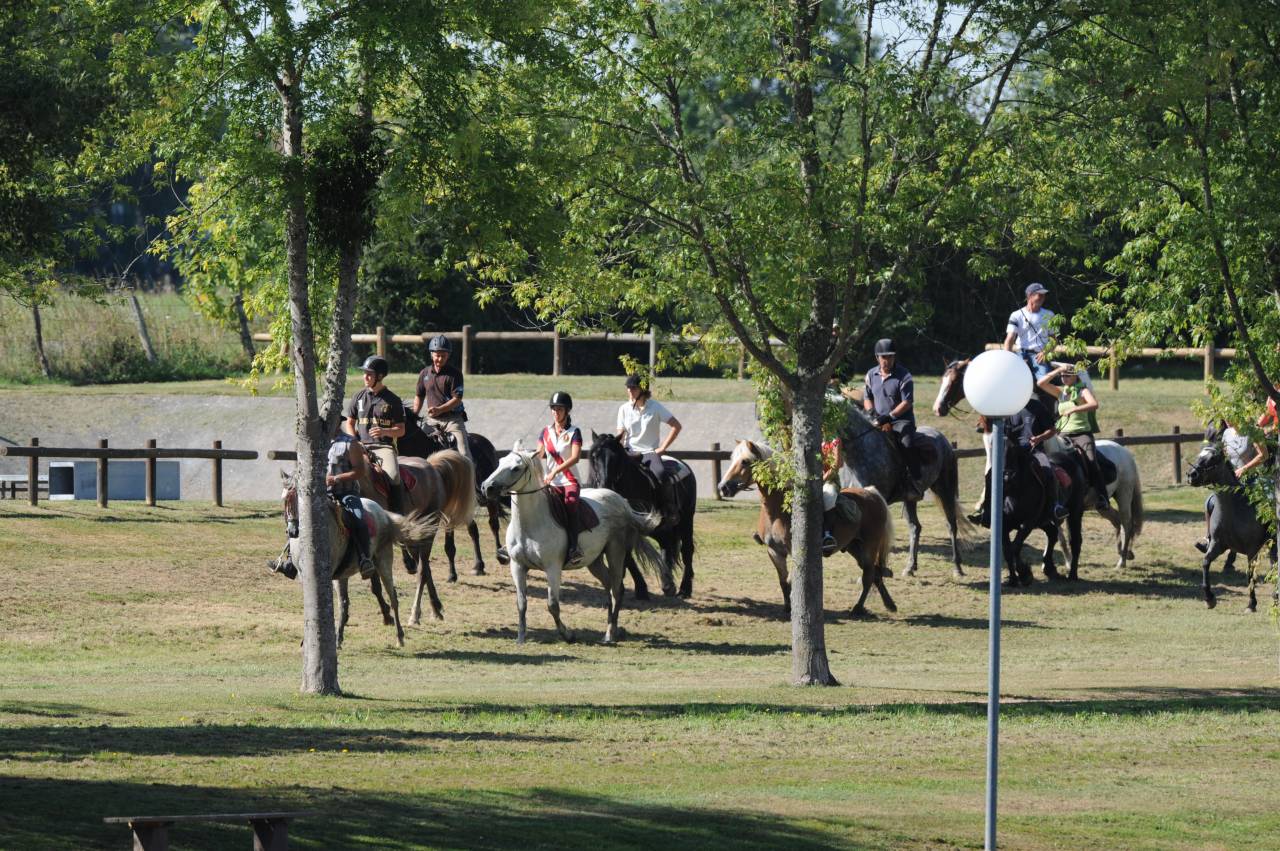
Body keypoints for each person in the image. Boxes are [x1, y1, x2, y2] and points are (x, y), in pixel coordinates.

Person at [1038, 363, 1109, 510]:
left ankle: (1102, 497)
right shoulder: (1061, 392)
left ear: (1075, 376)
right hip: (1062, 434)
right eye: (1062, 376)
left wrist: (1075, 408)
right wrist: (1058, 370)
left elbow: (1094, 404)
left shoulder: (1083, 390)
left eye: (1067, 375)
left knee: (1091, 460)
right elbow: (1041, 383)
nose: (1064, 378)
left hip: (1081, 434)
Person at [616, 374, 683, 525]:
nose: (629, 391)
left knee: (660, 473)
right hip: (629, 452)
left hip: (649, 452)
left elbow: (676, 426)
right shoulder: (623, 409)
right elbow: (620, 435)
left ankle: (669, 509)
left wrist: (662, 448)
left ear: (643, 389)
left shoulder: (655, 407)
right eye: (628, 388)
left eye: (633, 388)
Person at [863, 338, 924, 500]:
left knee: (907, 444)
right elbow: (867, 397)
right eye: (883, 357)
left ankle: (915, 482)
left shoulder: (905, 376)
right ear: (877, 357)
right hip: (878, 420)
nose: (887, 360)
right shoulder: (870, 375)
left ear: (894, 357)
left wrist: (889, 417)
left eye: (890, 357)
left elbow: (907, 402)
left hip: (901, 421)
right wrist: (872, 414)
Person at [1194, 421, 1269, 553]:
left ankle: (1270, 541)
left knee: (1267, 505)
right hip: (1231, 480)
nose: (1227, 420)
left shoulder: (1253, 431)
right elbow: (1223, 455)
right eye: (1226, 417)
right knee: (1209, 503)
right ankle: (1209, 539)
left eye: (1230, 416)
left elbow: (1264, 455)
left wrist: (1244, 469)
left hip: (1252, 480)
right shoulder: (1227, 433)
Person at [344, 355, 406, 510]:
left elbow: (401, 430)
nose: (365, 376)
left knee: (393, 475)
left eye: (369, 374)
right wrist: (354, 441)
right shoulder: (358, 396)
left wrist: (384, 431)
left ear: (379, 376)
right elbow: (349, 423)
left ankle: (398, 513)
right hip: (359, 447)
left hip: (383, 447)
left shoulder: (393, 400)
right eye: (364, 373)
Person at [536, 391, 584, 565]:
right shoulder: (545, 432)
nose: (556, 412)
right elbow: (539, 453)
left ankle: (574, 547)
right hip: (550, 481)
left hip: (569, 480)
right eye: (553, 409)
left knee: (571, 505)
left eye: (559, 409)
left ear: (567, 411)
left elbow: (575, 457)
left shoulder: (574, 432)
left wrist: (555, 471)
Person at [326, 430, 377, 578]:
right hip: (321, 493)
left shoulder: (350, 443)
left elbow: (360, 471)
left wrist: (336, 479)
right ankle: (290, 559)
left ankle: (365, 559)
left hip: (346, 492)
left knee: (358, 518)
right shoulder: (316, 440)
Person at [413, 335, 472, 465]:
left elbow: (457, 399)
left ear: (448, 356)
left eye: (443, 356)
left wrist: (439, 409)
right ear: (431, 354)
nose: (439, 359)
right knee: (416, 446)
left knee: (464, 454)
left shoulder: (455, 374)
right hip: (431, 421)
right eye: (437, 355)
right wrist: (414, 414)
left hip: (453, 420)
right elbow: (419, 395)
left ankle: (472, 482)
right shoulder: (424, 373)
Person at [1003, 282, 1057, 382]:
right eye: (1039, 295)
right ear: (1030, 296)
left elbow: (1054, 340)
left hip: (1039, 356)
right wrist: (1007, 358)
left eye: (1044, 295)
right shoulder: (1016, 315)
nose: (1042, 298)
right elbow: (1010, 339)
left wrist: (1045, 352)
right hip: (1020, 354)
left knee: (1043, 382)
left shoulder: (1049, 315)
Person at [820, 434, 843, 558]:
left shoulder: (835, 441)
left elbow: (837, 465)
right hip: (814, 480)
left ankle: (828, 535)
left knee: (828, 497)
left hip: (830, 481)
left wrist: (822, 479)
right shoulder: (815, 439)